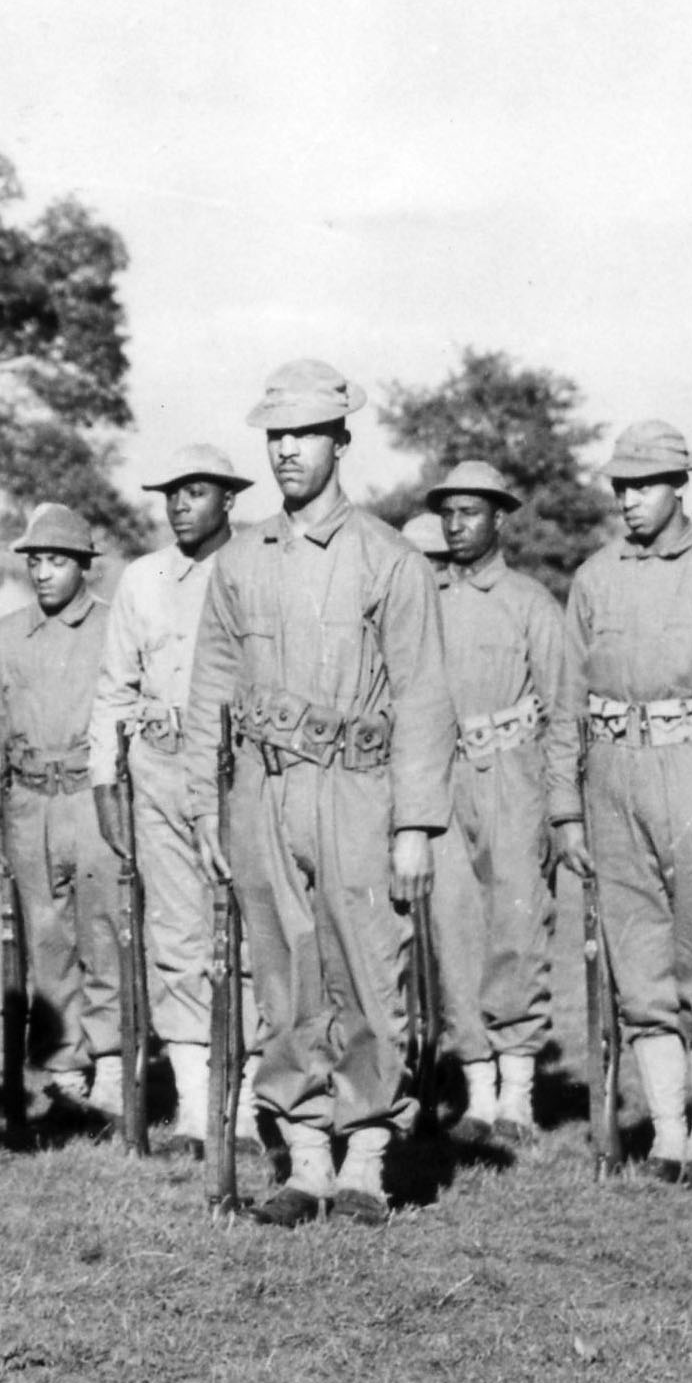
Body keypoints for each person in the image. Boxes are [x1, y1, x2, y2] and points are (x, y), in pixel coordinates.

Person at [191, 362, 459, 1228]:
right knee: (284, 976)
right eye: (275, 436)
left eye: (304, 435)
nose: (286, 452)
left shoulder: (390, 560)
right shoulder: (238, 561)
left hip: (358, 791)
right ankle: (306, 1161)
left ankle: (368, 1162)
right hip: (263, 793)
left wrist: (415, 824)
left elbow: (423, 696)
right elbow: (209, 691)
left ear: (340, 442)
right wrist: (204, 805)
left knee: (368, 972)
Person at [567, 421, 692, 1185]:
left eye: (645, 485)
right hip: (612, 774)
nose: (630, 500)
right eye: (622, 487)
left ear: (679, 486)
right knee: (636, 961)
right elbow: (568, 696)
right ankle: (667, 1133)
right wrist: (565, 810)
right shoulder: (594, 577)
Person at [90, 442, 249, 1161]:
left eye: (197, 492)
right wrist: (104, 779)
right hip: (156, 763)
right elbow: (114, 687)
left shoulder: (254, 569)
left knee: (247, 932)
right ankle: (193, 1107)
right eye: (172, 494)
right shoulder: (142, 580)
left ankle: (243, 1106)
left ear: (228, 499)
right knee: (176, 935)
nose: (182, 505)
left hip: (241, 770)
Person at [422, 456, 580, 1165]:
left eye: (471, 512)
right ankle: (477, 1092)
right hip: (444, 778)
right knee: (452, 931)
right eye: (449, 513)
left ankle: (518, 1093)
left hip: (512, 772)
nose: (458, 525)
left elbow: (564, 710)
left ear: (498, 518)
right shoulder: (425, 603)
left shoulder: (530, 605)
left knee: (518, 927)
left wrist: (558, 805)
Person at [0, 503, 121, 1133]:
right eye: (35, 562)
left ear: (84, 566)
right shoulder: (4, 637)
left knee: (102, 931)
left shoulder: (114, 629)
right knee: (46, 938)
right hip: (29, 802)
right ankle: (63, 1069)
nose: (45, 574)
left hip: (91, 798)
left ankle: (110, 1062)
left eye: (57, 561)